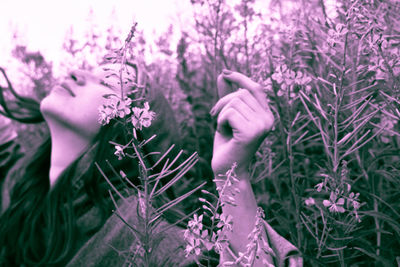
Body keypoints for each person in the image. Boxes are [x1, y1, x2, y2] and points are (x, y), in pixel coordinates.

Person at [0, 60, 301, 266]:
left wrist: (234, 178)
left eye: (108, 81)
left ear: (131, 130)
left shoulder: (145, 236)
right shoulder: (18, 189)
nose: (77, 73)